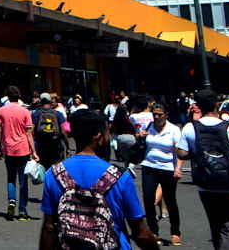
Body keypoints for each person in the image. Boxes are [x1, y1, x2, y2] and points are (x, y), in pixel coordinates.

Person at [38, 109, 159, 250]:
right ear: (98, 135)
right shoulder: (119, 176)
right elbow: (141, 233)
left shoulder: (54, 174)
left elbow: (49, 227)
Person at [176, 89, 229, 250]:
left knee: (216, 226)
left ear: (198, 105)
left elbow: (181, 153)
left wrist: (198, 152)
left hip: (206, 185)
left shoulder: (190, 128)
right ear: (217, 104)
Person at [140, 102, 183, 246]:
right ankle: (153, 231)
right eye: (154, 114)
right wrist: (140, 136)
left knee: (170, 200)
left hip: (168, 168)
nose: (157, 117)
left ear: (166, 115)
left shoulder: (173, 130)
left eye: (160, 114)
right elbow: (142, 141)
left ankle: (175, 232)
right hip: (149, 166)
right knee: (148, 198)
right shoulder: (149, 126)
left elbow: (179, 151)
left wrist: (178, 168)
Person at [0, 86, 38, 221]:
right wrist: (34, 152)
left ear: (8, 97)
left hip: (9, 150)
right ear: (19, 96)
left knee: (11, 178)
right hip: (23, 149)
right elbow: (29, 133)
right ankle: (22, 211)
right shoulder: (25, 111)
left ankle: (11, 201)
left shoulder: (1, 111)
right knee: (23, 181)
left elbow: (0, 131)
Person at [33, 93, 66, 170]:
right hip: (56, 145)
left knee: (43, 169)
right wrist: (67, 146)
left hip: (41, 146)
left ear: (40, 101)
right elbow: (65, 130)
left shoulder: (36, 114)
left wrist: (32, 149)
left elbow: (31, 131)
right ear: (50, 101)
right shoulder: (58, 114)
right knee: (56, 170)